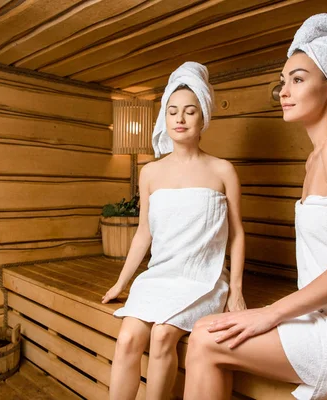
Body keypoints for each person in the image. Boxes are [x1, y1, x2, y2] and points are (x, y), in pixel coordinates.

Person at [183, 13, 327, 400]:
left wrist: (270, 313)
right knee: (208, 329)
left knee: (206, 339)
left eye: (299, 79)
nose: (284, 91)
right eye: (283, 81)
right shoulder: (318, 156)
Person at [102, 61, 247, 400]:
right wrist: (121, 282)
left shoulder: (223, 171)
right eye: (173, 111)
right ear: (164, 120)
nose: (180, 119)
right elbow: (143, 235)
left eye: (190, 111)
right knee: (126, 340)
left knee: (163, 334)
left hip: (203, 279)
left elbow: (238, 234)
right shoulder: (150, 173)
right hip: (160, 276)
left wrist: (236, 291)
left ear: (203, 119)